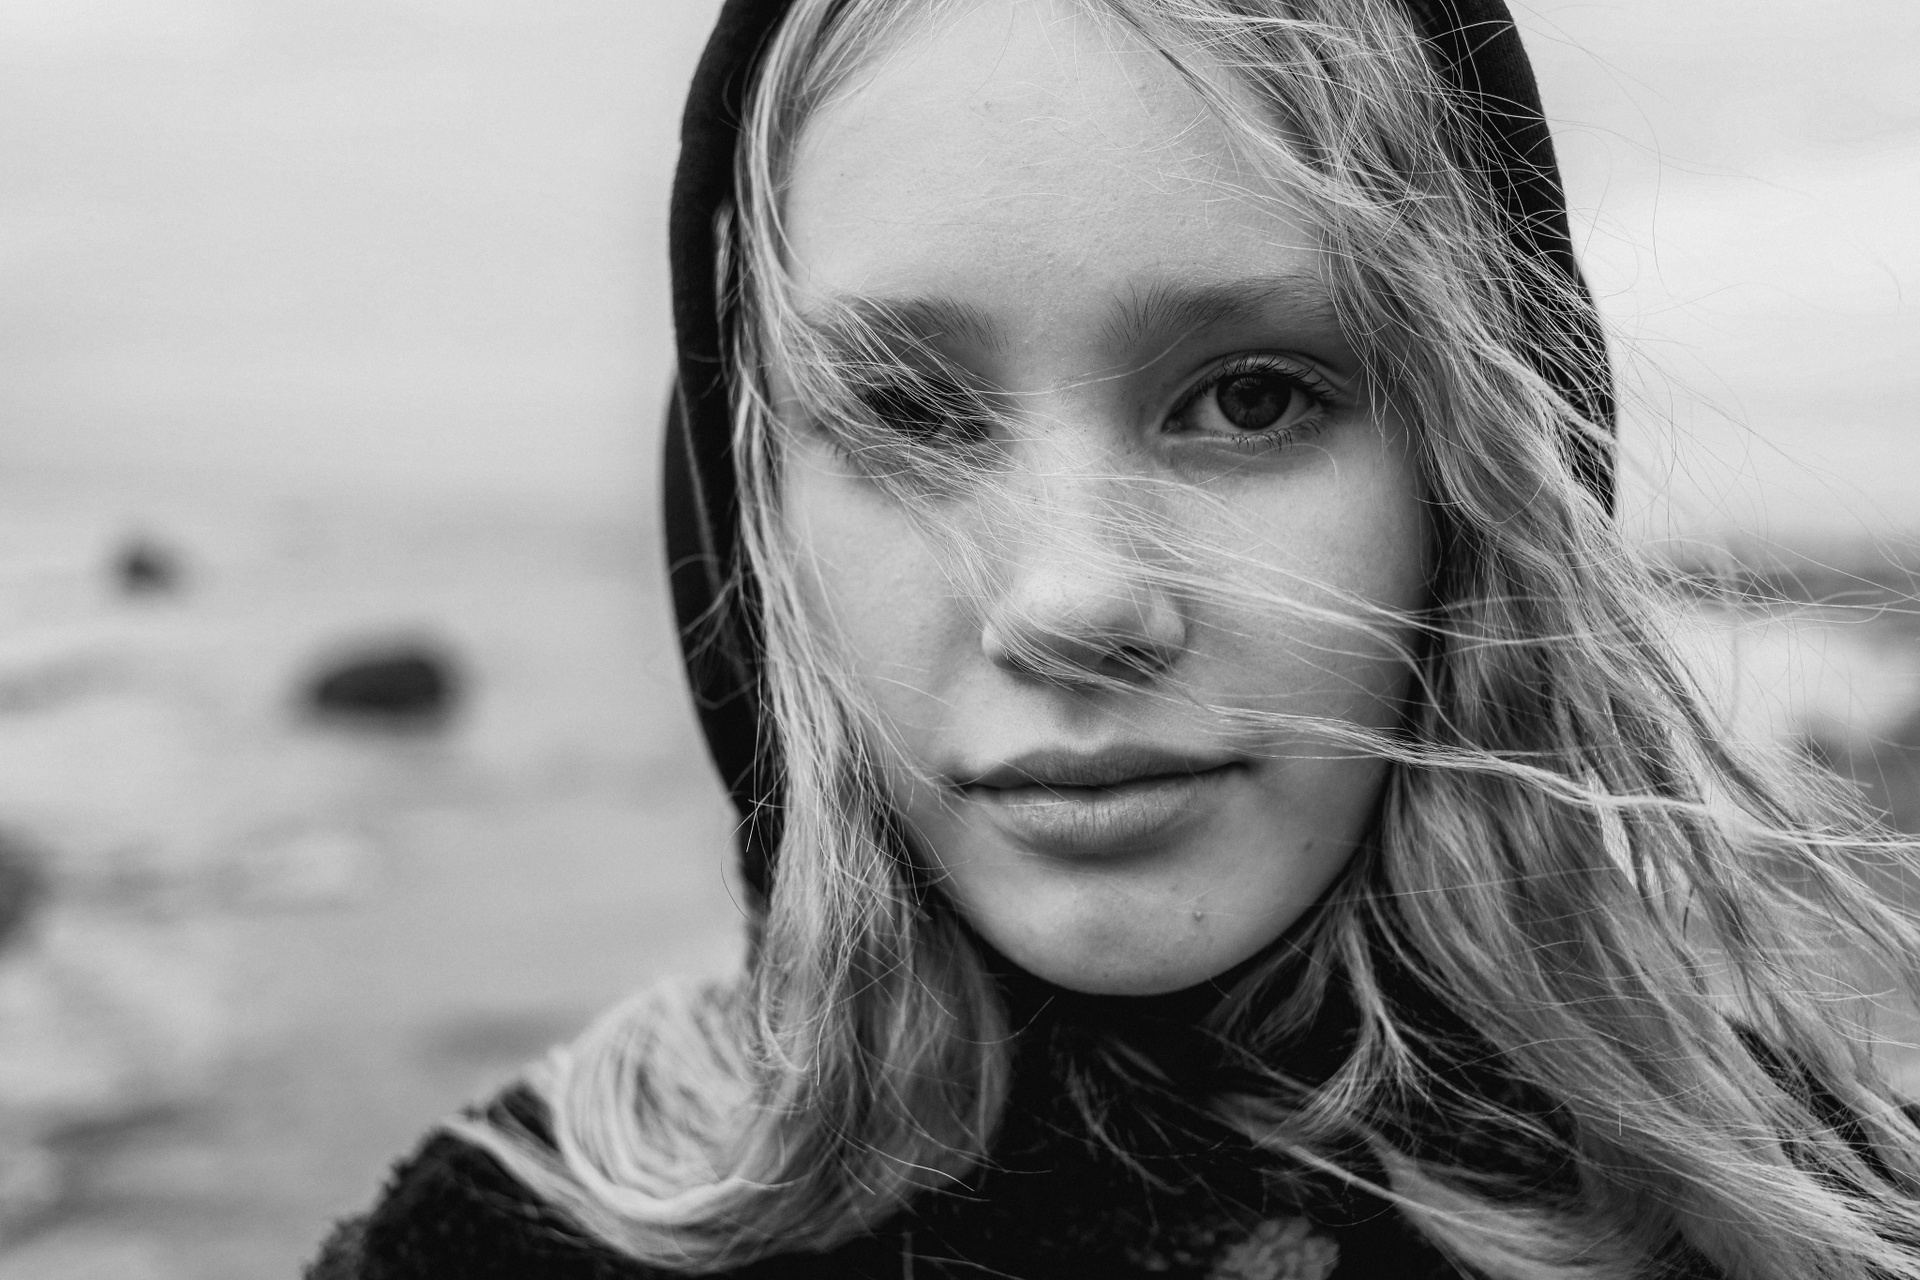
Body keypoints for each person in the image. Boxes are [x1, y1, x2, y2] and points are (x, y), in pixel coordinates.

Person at [309, 0, 1920, 1276]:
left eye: (1252, 398)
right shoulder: (500, 1243)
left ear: (1476, 475)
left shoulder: (1818, 1226)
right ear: (751, 514)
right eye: (911, 413)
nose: (1073, 599)